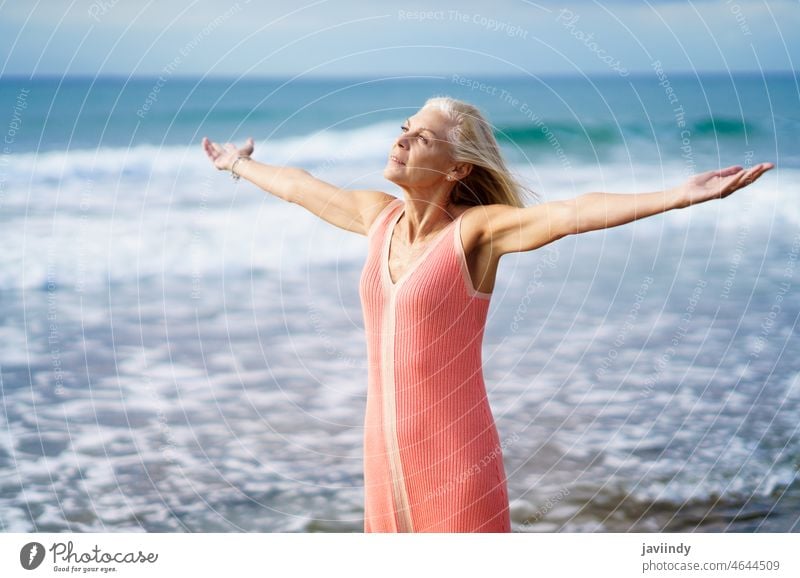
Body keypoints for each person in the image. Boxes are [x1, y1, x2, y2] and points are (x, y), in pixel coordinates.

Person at [202, 96, 774, 533]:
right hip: (381, 458)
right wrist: (237, 165)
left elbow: (571, 212)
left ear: (455, 170)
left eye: (421, 138)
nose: (401, 141)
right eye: (404, 129)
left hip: (456, 462)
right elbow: (298, 186)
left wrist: (677, 195)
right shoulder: (377, 220)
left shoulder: (474, 235)